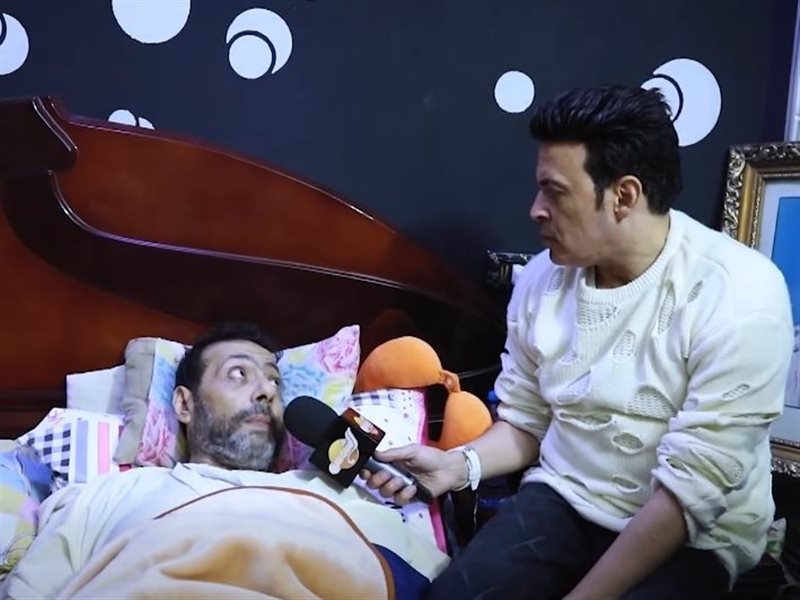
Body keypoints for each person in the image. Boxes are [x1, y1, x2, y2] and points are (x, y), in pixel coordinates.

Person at [364, 85, 795, 599]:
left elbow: (690, 494)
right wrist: (459, 466)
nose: (535, 210)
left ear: (624, 196)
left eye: (555, 192)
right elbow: (526, 421)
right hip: (565, 498)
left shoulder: (741, 292)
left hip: (693, 532)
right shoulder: (540, 281)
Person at [2, 322, 446, 599]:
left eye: (274, 382)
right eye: (239, 374)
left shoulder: (345, 501)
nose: (266, 391)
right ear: (184, 404)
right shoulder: (102, 496)